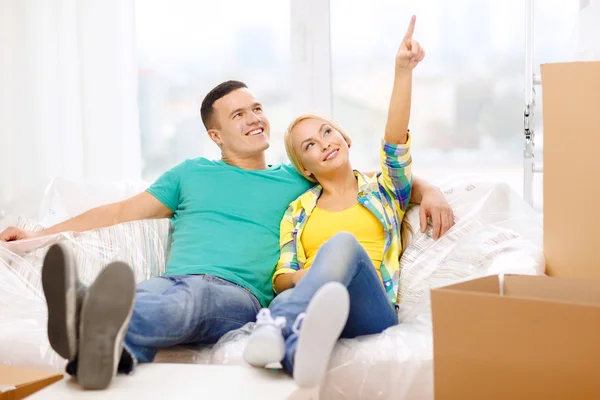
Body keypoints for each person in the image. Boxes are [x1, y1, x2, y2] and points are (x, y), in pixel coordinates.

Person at [1, 78, 452, 389]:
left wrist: (429, 191)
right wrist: (40, 233)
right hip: (172, 281)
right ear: (215, 134)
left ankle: (93, 318)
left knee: (191, 299)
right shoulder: (189, 174)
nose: (254, 117)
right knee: (161, 295)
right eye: (239, 114)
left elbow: (369, 178)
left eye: (257, 108)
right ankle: (103, 347)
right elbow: (120, 211)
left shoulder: (298, 182)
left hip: (235, 295)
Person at [243, 16, 429, 388]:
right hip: (315, 303)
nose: (323, 143)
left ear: (344, 138)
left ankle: (280, 324)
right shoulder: (298, 210)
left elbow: (395, 144)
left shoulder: (383, 191)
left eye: (327, 132)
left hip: (368, 307)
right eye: (309, 145)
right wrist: (304, 277)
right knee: (288, 299)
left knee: (343, 243)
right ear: (307, 168)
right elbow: (281, 277)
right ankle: (296, 351)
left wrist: (402, 70)